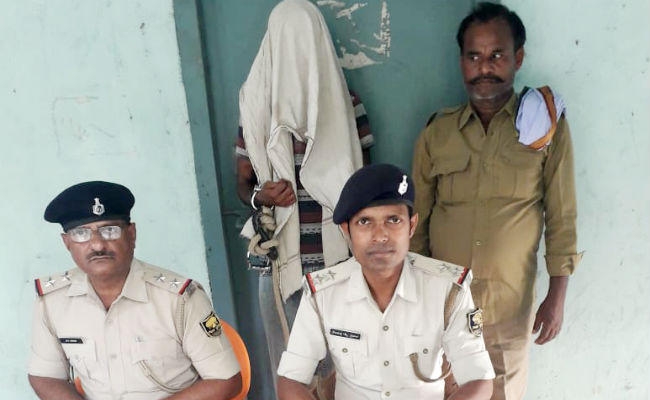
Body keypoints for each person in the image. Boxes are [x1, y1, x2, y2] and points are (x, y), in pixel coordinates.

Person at [411, 3, 582, 399]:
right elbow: (415, 222)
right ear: (461, 62)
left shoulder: (545, 129)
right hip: (444, 308)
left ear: (517, 58)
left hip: (509, 310)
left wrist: (557, 297)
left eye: (497, 55)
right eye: (474, 56)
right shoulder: (437, 132)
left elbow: (562, 215)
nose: (484, 67)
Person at [236, 0, 372, 397]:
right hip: (278, 262)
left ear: (318, 42)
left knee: (345, 367)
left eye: (304, 41)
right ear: (272, 45)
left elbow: (366, 183)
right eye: (286, 41)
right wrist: (259, 195)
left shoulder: (345, 103)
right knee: (289, 367)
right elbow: (242, 183)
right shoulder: (255, 106)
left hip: (336, 258)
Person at [277, 164, 495, 400]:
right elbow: (290, 380)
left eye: (393, 220)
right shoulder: (322, 293)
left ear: (411, 225)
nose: (380, 235)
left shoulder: (448, 290)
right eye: (364, 222)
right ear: (346, 230)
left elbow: (478, 379)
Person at [28, 181, 242, 400]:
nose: (97, 245)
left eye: (109, 230)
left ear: (131, 234)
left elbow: (226, 380)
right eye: (81, 233)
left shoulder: (180, 299)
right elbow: (45, 377)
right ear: (67, 242)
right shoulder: (52, 301)